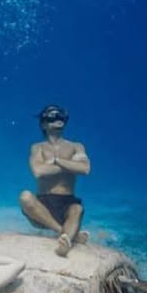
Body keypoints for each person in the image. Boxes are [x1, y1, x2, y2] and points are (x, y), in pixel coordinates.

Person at [18, 104, 91, 256]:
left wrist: (56, 160)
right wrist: (70, 165)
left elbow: (85, 169)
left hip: (67, 204)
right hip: (42, 207)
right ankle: (65, 233)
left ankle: (64, 246)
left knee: (77, 209)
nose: (58, 119)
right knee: (25, 196)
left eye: (61, 116)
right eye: (53, 117)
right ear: (44, 124)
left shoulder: (76, 146)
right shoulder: (37, 148)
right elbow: (38, 172)